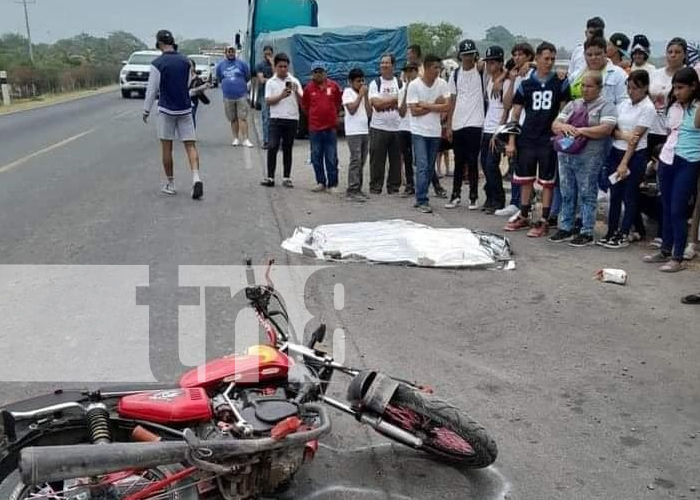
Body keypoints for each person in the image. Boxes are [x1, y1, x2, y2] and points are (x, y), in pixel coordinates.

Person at [505, 42, 570, 237]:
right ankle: (524, 214)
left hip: (548, 139)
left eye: (552, 59)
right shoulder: (526, 84)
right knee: (525, 179)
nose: (549, 62)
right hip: (528, 137)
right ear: (538, 58)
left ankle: (544, 219)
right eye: (546, 58)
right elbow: (515, 115)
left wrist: (560, 136)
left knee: (547, 181)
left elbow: (564, 111)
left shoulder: (560, 82)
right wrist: (511, 141)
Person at [550, 71, 617, 246]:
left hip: (589, 156)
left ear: (599, 88)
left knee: (587, 194)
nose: (585, 90)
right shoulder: (573, 104)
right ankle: (566, 227)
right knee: (567, 192)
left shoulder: (606, 106)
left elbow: (606, 129)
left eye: (589, 86)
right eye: (583, 86)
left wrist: (581, 131)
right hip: (565, 154)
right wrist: (566, 127)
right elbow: (555, 125)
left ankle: (587, 230)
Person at [645, 68, 700, 273]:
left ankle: (678, 256)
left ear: (693, 87)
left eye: (681, 88)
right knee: (666, 207)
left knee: (678, 209)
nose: (677, 92)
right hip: (668, 159)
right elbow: (669, 132)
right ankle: (665, 249)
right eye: (675, 88)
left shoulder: (696, 108)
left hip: (689, 160)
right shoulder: (674, 106)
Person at [599, 70, 657, 249]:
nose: (631, 92)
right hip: (616, 151)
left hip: (634, 156)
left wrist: (624, 163)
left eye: (635, 88)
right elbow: (612, 130)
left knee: (629, 196)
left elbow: (636, 140)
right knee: (614, 194)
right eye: (629, 87)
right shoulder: (624, 104)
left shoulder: (648, 108)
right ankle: (611, 231)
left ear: (645, 88)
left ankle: (624, 233)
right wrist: (624, 136)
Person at [143, 30, 203, 200]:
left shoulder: (157, 63)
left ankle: (170, 183)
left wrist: (146, 110)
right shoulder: (185, 61)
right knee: (190, 145)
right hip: (185, 108)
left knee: (166, 147)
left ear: (159, 43)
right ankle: (196, 178)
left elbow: (152, 89)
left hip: (166, 110)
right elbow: (187, 85)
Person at [407, 54, 452, 213]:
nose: (438, 71)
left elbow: (447, 107)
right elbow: (414, 111)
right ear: (426, 68)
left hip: (434, 132)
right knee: (422, 165)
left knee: (429, 166)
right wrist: (434, 105)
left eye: (439, 68)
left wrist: (426, 105)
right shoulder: (414, 85)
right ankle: (422, 199)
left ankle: (422, 195)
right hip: (419, 131)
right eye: (435, 68)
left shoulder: (442, 84)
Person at [445, 39, 486, 210]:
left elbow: (489, 64)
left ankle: (473, 196)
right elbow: (452, 101)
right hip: (458, 122)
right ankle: (455, 195)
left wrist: (480, 62)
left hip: (475, 121)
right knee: (459, 161)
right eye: (465, 55)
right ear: (460, 56)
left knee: (472, 161)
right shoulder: (455, 75)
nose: (468, 58)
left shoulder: (480, 71)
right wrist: (448, 124)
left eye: (470, 54)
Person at [496, 44, 535, 218]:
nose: (517, 58)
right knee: (514, 165)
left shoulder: (533, 74)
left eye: (521, 55)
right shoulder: (516, 77)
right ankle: (515, 201)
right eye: (515, 55)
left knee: (525, 168)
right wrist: (511, 80)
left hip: (529, 125)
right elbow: (507, 104)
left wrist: (532, 65)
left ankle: (524, 204)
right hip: (515, 124)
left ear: (529, 57)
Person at [260, 53, 302, 188]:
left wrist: (296, 93)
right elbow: (268, 101)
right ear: (276, 67)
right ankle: (270, 177)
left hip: (292, 118)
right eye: (280, 66)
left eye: (285, 66)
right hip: (276, 119)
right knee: (272, 146)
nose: (283, 69)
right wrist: (281, 96)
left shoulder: (295, 81)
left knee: (287, 148)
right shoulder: (271, 83)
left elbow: (303, 102)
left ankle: (286, 177)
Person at [302, 61, 343, 193]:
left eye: (321, 72)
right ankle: (320, 182)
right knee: (316, 156)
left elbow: (338, 103)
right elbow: (305, 106)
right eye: (316, 72)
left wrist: (332, 115)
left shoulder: (334, 86)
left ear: (326, 72)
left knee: (331, 157)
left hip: (330, 128)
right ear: (312, 74)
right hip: (315, 128)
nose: (318, 74)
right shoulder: (308, 88)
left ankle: (333, 184)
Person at [368, 54, 403, 195]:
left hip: (397, 127)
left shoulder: (400, 83)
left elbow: (403, 103)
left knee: (396, 160)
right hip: (378, 127)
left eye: (387, 63)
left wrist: (385, 102)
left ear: (393, 66)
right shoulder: (375, 83)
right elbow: (376, 105)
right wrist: (395, 98)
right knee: (377, 160)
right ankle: (375, 187)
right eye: (382, 63)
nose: (384, 65)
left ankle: (393, 187)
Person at [480, 45, 509, 214]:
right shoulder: (490, 79)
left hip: (497, 128)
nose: (489, 66)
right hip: (487, 126)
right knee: (484, 164)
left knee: (492, 164)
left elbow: (506, 108)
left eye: (493, 62)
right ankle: (490, 197)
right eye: (488, 62)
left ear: (500, 63)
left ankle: (498, 200)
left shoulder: (506, 81)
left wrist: (499, 131)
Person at [649, 38, 688, 160]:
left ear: (684, 55)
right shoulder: (655, 73)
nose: (673, 55)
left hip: (673, 128)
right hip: (651, 125)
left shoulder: (688, 74)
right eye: (670, 52)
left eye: (677, 52)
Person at [342, 67, 372, 201]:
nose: (361, 84)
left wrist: (365, 96)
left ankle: (358, 188)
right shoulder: (348, 92)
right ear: (351, 82)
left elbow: (369, 112)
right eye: (358, 81)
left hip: (364, 130)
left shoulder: (364, 94)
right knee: (356, 159)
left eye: (362, 81)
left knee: (362, 161)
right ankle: (352, 189)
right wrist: (360, 95)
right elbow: (352, 110)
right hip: (353, 131)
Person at [570, 37, 627, 106]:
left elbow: (624, 104)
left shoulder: (619, 75)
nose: (593, 58)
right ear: (584, 55)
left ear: (606, 53)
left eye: (598, 54)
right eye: (589, 55)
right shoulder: (576, 74)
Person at [216, 46, 254, 147]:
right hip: (228, 96)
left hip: (241, 95)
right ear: (225, 53)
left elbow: (247, 76)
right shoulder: (220, 65)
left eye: (232, 51)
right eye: (229, 52)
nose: (231, 53)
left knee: (242, 118)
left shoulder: (242, 64)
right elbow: (220, 78)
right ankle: (236, 138)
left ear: (235, 53)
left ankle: (246, 139)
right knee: (233, 119)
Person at [398, 61, 419, 196]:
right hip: (404, 127)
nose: (409, 74)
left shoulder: (421, 88)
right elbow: (401, 112)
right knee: (407, 158)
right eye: (407, 71)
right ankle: (410, 185)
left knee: (422, 158)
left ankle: (435, 184)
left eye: (412, 71)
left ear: (416, 72)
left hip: (418, 127)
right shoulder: (402, 90)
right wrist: (406, 91)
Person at [568, 16, 605, 82]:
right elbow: (570, 73)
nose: (594, 35)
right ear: (586, 33)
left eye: (597, 33)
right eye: (591, 32)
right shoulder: (578, 51)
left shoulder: (607, 51)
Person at [255, 45, 274, 148]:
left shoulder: (275, 65)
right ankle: (266, 141)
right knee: (266, 118)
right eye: (266, 54)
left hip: (276, 95)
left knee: (275, 119)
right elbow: (262, 80)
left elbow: (278, 76)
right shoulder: (260, 65)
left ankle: (274, 140)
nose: (267, 56)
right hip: (264, 95)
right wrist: (273, 80)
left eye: (269, 54)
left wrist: (272, 64)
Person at [188, 58, 211, 129]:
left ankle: (191, 134)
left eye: (190, 65)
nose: (189, 67)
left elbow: (201, 92)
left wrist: (200, 88)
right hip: (183, 100)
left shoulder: (197, 79)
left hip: (193, 100)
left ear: (193, 67)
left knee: (191, 115)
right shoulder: (182, 76)